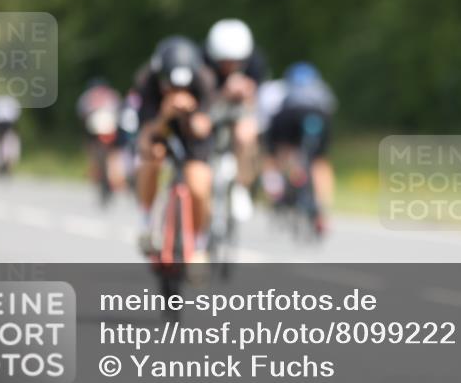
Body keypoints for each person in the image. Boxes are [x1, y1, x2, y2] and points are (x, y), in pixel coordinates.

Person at [134, 36, 216, 259]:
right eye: (170, 86)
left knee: (198, 184)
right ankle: (146, 219)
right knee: (151, 159)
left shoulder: (204, 80)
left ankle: (199, 243)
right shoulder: (147, 81)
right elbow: (145, 136)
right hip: (160, 131)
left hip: (193, 137)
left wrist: (191, 113)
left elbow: (204, 127)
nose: (176, 90)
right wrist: (165, 114)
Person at [203, 19, 270, 218]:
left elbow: (257, 98)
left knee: (245, 135)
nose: (230, 66)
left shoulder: (256, 62)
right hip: (212, 105)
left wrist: (246, 91)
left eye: (235, 61)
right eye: (224, 62)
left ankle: (241, 185)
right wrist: (223, 93)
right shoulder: (202, 61)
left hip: (241, 108)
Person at [260, 62, 337, 234]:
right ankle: (322, 210)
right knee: (319, 161)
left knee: (282, 149)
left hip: (290, 115)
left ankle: (279, 187)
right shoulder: (322, 89)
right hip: (319, 116)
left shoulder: (284, 89)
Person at [76, 78, 125, 200]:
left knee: (91, 148)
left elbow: (81, 113)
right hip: (110, 130)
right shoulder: (112, 94)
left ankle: (95, 170)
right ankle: (112, 175)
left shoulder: (86, 96)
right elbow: (120, 110)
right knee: (114, 152)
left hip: (95, 132)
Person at [0, 94, 21, 175]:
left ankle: (5, 164)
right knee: (3, 144)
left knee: (4, 144)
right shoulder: (10, 102)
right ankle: (4, 164)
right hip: (4, 125)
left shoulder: (0, 102)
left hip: (4, 125)